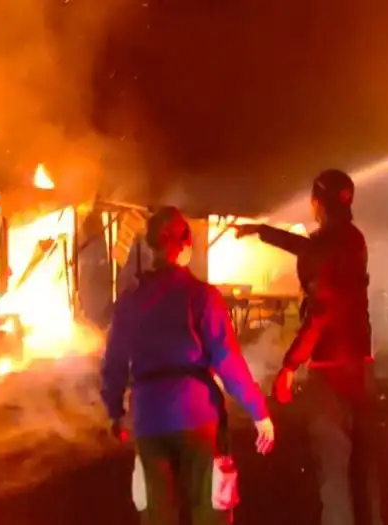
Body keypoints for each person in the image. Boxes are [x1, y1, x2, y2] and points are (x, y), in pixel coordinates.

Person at [101, 205, 275, 525]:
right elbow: (227, 360)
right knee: (211, 511)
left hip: (148, 420)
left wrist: (115, 411)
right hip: (199, 418)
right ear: (185, 246)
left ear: (151, 246)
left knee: (157, 514)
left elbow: (113, 362)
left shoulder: (130, 301)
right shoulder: (202, 296)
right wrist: (259, 413)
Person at [234, 169, 381, 525]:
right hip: (361, 366)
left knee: (333, 472)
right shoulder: (352, 239)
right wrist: (262, 232)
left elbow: (320, 312)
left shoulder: (327, 245)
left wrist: (288, 366)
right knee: (364, 469)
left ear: (317, 203)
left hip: (330, 372)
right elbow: (311, 248)